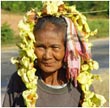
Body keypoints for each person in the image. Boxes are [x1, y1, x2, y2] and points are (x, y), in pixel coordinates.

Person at [2, 15, 85, 107]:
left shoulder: (80, 84)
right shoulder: (21, 80)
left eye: (55, 48)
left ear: (67, 50)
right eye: (40, 47)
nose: (47, 56)